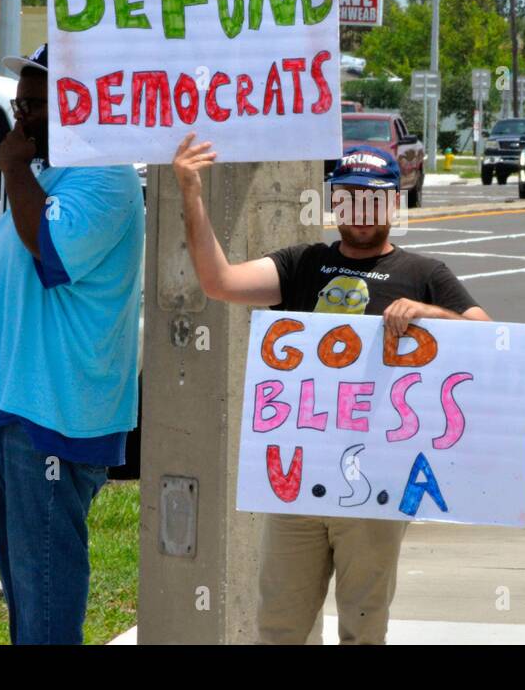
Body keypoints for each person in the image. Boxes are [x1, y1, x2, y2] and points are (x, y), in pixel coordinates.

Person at [172, 136, 491, 644]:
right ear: (332, 200)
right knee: (279, 626)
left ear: (395, 199)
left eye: (373, 196)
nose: (359, 209)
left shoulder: (424, 274)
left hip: (377, 483)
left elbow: (489, 340)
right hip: (298, 480)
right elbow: (219, 282)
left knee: (363, 626)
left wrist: (431, 315)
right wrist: (190, 189)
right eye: (346, 195)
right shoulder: (303, 263)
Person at [0, 43, 145, 644]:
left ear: (80, 103)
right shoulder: (47, 173)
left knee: (44, 582)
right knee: (22, 582)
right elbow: (11, 294)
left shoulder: (105, 176)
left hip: (53, 412)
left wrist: (14, 168)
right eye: (22, 102)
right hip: (8, 402)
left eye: (37, 104)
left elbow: (51, 251)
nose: (22, 117)